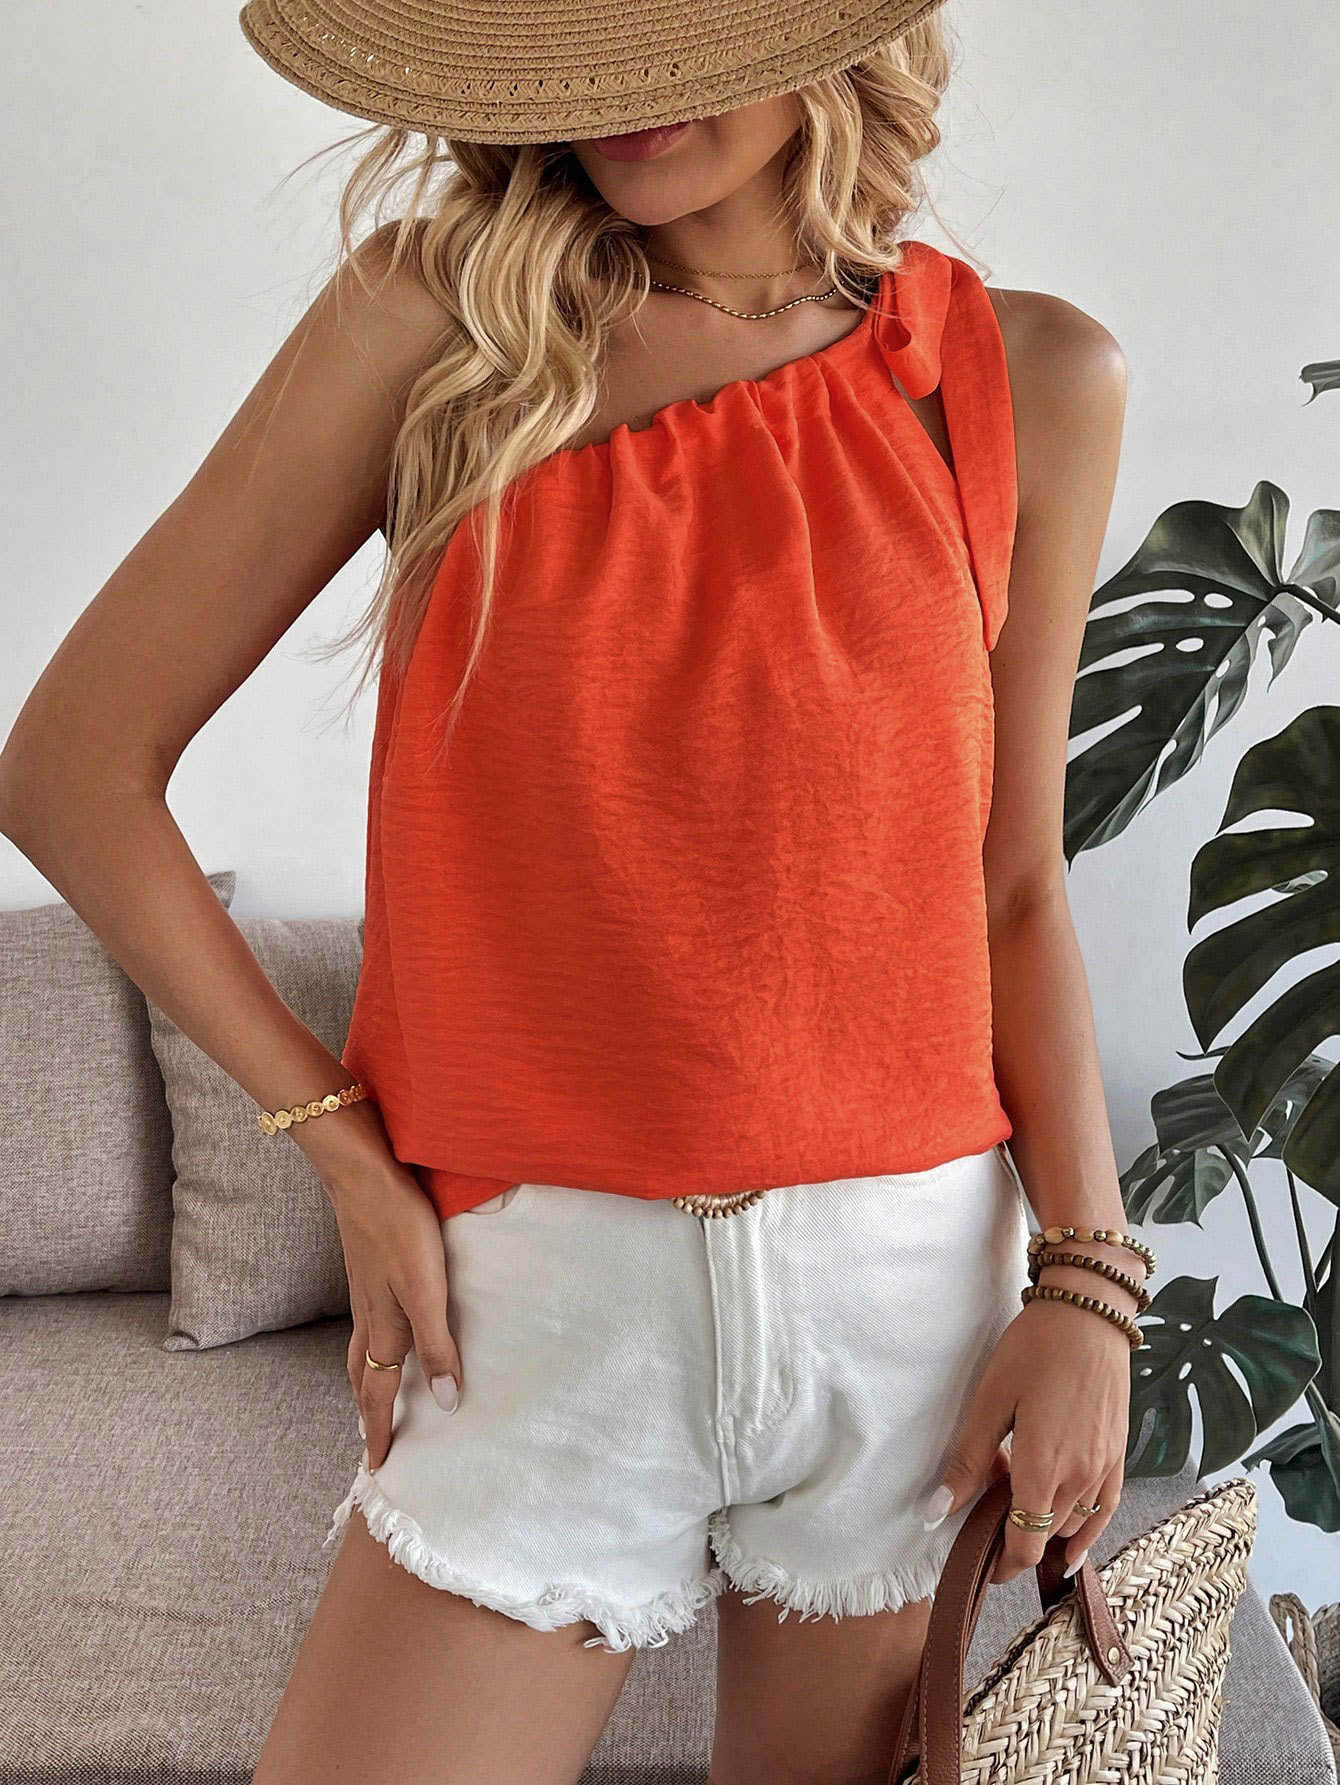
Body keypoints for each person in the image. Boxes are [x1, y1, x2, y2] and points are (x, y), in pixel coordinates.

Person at [0, 2, 1147, 1780]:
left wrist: (1089, 1280)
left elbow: (1014, 884)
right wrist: (336, 1144)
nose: (625, 94)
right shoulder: (438, 323)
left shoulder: (1026, 376)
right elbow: (70, 766)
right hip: (537, 1308)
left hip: (901, 1307)